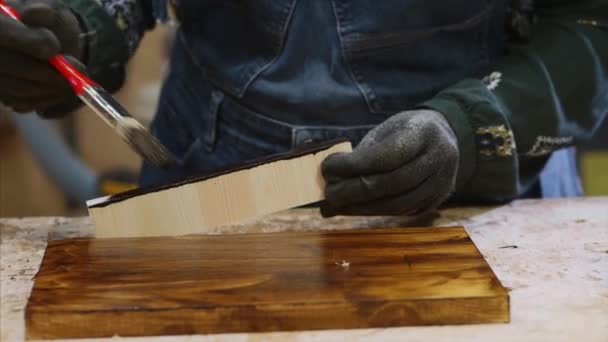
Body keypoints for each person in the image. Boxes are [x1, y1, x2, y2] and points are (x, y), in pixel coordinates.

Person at [0, 0, 606, 216]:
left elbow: (590, 23)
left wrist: (469, 133)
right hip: (212, 174)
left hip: (475, 174)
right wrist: (86, 27)